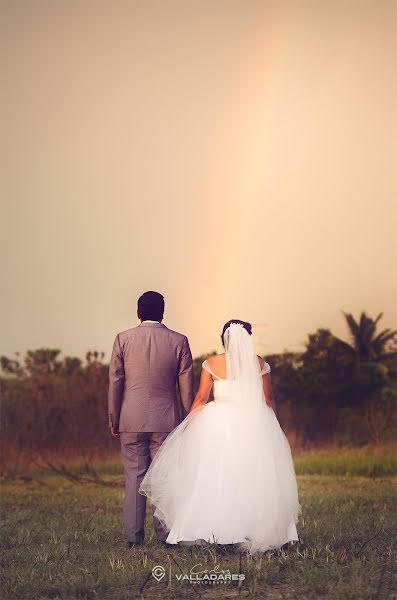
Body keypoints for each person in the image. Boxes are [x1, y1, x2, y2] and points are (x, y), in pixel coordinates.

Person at [139, 319, 302, 555]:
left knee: (216, 476)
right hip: (254, 422)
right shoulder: (259, 364)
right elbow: (268, 399)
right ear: (247, 339)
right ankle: (256, 529)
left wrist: (189, 427)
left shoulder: (213, 363)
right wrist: (272, 425)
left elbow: (201, 399)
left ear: (224, 339)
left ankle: (214, 530)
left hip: (218, 423)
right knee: (254, 476)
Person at [108, 291, 195, 548]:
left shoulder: (123, 339)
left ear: (138, 312)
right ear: (163, 312)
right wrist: (188, 419)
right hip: (167, 421)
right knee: (163, 479)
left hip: (130, 420)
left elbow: (115, 381)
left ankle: (134, 539)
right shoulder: (179, 341)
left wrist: (114, 418)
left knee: (134, 478)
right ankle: (166, 535)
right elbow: (186, 388)